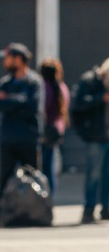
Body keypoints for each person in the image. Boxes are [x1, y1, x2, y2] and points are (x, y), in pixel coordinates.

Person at [71, 56, 109, 224]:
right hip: (94, 137)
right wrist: (101, 99)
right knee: (94, 175)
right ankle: (88, 210)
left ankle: (106, 208)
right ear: (105, 73)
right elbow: (78, 105)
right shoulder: (89, 81)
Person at [0, 42, 43, 194]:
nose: (4, 62)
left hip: (28, 139)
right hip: (8, 139)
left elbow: (32, 107)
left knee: (32, 178)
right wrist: (18, 101)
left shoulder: (33, 82)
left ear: (18, 59)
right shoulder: (5, 83)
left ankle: (33, 212)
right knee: (3, 178)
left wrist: (9, 100)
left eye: (7, 58)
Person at [39, 58, 71, 195]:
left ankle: (43, 197)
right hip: (56, 132)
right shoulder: (62, 87)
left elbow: (41, 110)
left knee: (42, 168)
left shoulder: (44, 88)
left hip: (44, 132)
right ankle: (49, 198)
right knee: (50, 168)